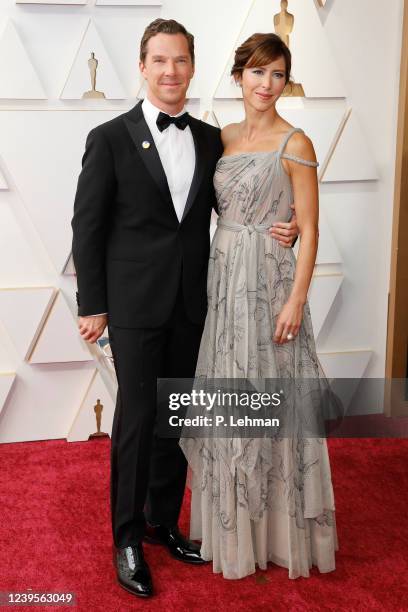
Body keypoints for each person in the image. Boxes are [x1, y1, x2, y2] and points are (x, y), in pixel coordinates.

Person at [71, 20, 299, 598]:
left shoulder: (208, 138)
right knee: (136, 420)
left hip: (198, 304)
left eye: (180, 61)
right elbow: (88, 227)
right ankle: (125, 538)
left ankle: (160, 522)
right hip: (133, 305)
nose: (171, 71)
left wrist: (288, 228)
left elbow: (243, 201)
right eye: (160, 61)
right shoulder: (110, 138)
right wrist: (93, 303)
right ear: (143, 67)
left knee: (176, 421)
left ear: (192, 69)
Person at [179, 33, 339, 580]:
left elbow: (311, 229)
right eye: (256, 73)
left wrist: (298, 298)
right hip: (223, 281)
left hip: (270, 283)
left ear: (285, 82)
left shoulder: (297, 143)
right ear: (239, 76)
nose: (265, 84)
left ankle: (276, 531)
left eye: (276, 74)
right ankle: (233, 530)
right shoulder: (220, 138)